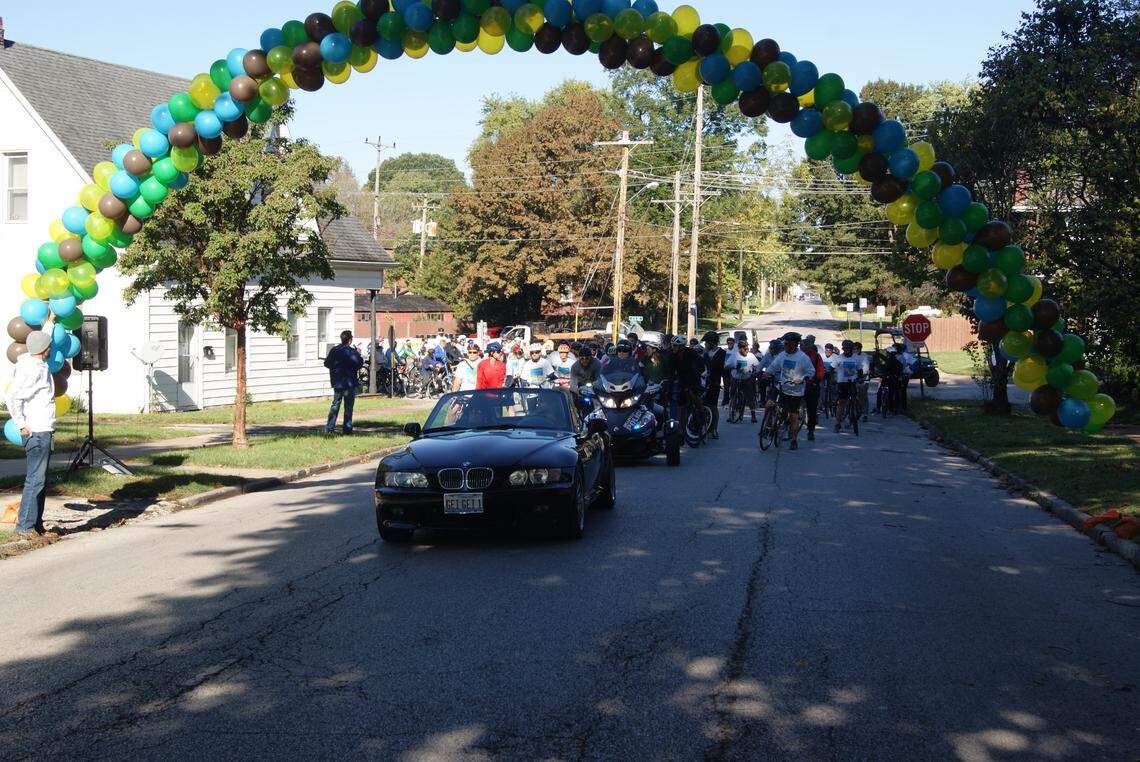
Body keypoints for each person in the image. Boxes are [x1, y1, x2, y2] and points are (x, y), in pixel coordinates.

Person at [4, 331, 58, 541]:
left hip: (44, 429)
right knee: (35, 480)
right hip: (36, 431)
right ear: (44, 348)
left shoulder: (38, 365)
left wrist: (51, 319)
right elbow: (13, 396)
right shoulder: (32, 369)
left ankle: (36, 524)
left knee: (40, 480)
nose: (51, 347)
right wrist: (21, 424)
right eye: (49, 345)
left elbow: (42, 334)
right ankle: (25, 526)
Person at [763, 332, 815, 450]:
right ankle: (767, 427)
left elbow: (811, 372)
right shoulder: (782, 355)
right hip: (781, 386)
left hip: (795, 391)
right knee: (768, 404)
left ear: (794, 344)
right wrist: (767, 373)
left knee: (793, 416)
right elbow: (773, 366)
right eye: (784, 343)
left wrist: (802, 380)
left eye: (787, 343)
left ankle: (794, 440)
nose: (785, 345)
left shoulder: (802, 357)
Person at [324, 330, 364, 435]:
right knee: (348, 407)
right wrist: (359, 354)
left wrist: (335, 369)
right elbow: (359, 363)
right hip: (349, 382)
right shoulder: (351, 351)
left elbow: (327, 363)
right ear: (350, 340)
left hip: (337, 382)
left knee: (335, 404)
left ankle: (330, 428)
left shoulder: (334, 350)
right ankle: (347, 430)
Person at [831, 340, 864, 431]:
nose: (847, 351)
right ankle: (837, 423)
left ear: (851, 349)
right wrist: (832, 379)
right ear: (843, 349)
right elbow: (831, 368)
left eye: (849, 349)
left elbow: (860, 370)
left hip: (853, 382)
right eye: (845, 349)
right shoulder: (839, 358)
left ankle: (853, 413)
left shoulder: (856, 358)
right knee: (841, 402)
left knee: (854, 399)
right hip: (842, 382)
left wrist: (860, 378)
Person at [728, 338, 761, 423]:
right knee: (733, 396)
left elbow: (758, 366)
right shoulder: (735, 355)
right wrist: (731, 367)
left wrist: (755, 372)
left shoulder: (750, 355)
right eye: (742, 348)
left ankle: (753, 415)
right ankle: (731, 414)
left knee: (750, 397)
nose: (744, 350)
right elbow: (727, 365)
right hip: (736, 378)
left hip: (746, 379)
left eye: (745, 348)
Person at [800, 336, 827, 441]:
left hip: (811, 385)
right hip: (798, 384)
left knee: (812, 409)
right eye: (800, 346)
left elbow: (820, 371)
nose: (801, 348)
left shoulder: (816, 356)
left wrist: (817, 378)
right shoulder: (797, 356)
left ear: (808, 347)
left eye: (803, 346)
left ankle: (810, 431)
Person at [701, 332, 727, 437]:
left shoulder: (721, 353)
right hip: (704, 382)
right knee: (702, 404)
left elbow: (714, 366)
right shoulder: (706, 352)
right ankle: (704, 425)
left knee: (712, 406)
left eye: (707, 342)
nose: (705, 344)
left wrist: (706, 355)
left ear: (713, 343)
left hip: (714, 383)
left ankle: (714, 429)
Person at [853, 341, 871, 422]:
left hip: (862, 379)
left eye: (857, 349)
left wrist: (860, 376)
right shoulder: (851, 356)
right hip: (853, 378)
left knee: (863, 396)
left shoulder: (864, 356)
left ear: (860, 349)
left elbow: (865, 369)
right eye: (854, 349)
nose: (855, 350)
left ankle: (865, 414)